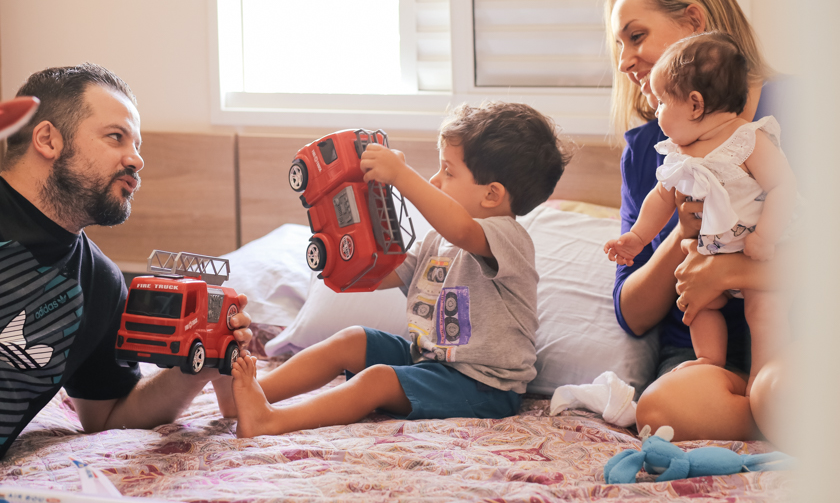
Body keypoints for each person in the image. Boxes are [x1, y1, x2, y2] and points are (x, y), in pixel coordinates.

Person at [220, 101, 570, 438]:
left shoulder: (509, 238)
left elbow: (462, 229)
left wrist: (402, 175)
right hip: (428, 361)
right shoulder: (436, 241)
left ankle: (270, 421)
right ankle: (247, 394)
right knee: (351, 339)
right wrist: (350, 227)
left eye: (448, 171)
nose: (435, 180)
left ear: (492, 195)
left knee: (378, 380)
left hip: (484, 386)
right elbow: (378, 273)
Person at [0, 63, 252, 460]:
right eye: (116, 137)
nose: (136, 160)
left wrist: (199, 365)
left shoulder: (98, 283)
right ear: (47, 139)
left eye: (137, 145)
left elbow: (108, 416)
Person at [605, 0, 795, 443]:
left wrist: (730, 272)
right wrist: (681, 232)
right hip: (702, 355)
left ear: (694, 21)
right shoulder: (651, 149)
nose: (624, 61)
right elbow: (633, 312)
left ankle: (779, 408)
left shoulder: (799, 112)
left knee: (780, 388)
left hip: (797, 334)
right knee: (660, 410)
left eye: (636, 36)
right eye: (619, 45)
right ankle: (794, 423)